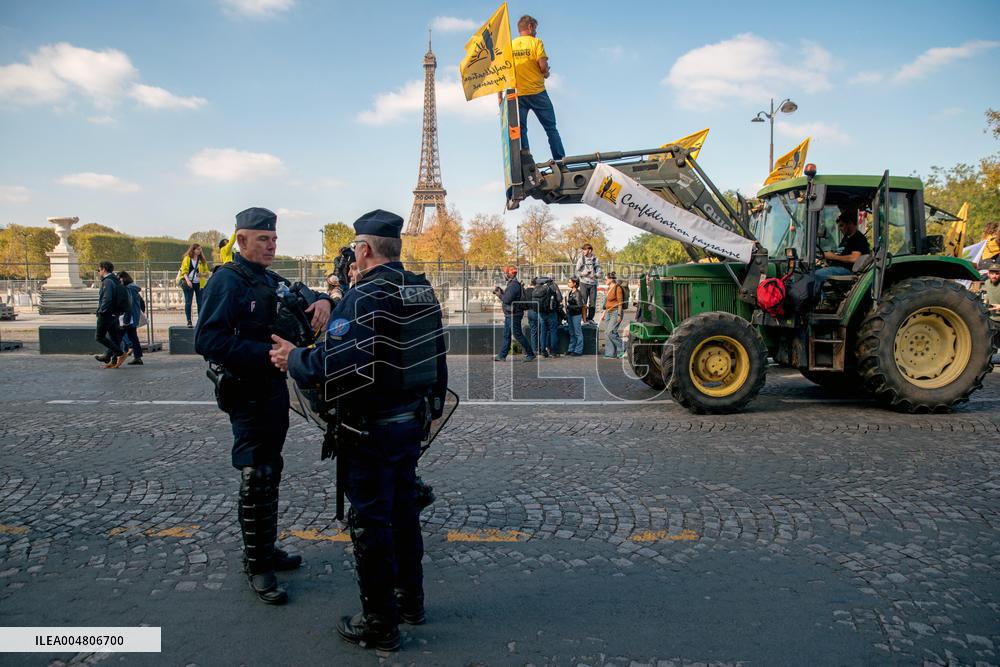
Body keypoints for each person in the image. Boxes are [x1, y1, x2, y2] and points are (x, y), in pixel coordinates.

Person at [271, 210, 448, 653]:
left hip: (369, 431)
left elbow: (334, 364)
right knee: (405, 513)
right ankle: (411, 601)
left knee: (370, 523)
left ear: (364, 249)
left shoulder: (365, 296)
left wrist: (293, 357)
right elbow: (436, 357)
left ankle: (380, 624)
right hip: (411, 423)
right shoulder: (420, 288)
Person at [194, 207, 333, 606]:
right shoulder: (227, 281)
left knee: (271, 469)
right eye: (262, 239)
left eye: (273, 239)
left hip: (272, 387)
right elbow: (208, 341)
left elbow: (305, 297)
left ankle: (265, 549)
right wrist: (266, 355)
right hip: (246, 387)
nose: (272, 245)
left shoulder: (267, 278)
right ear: (240, 241)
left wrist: (322, 299)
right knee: (257, 473)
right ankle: (257, 565)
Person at [511, 15, 565, 161]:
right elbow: (542, 65)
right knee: (551, 128)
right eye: (535, 28)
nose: (536, 32)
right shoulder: (536, 42)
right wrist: (546, 73)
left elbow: (503, 72)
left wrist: (499, 97)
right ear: (530, 27)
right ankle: (560, 160)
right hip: (538, 92)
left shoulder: (510, 46)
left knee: (521, 130)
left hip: (519, 94)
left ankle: (526, 158)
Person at [814, 209, 871, 283]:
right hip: (837, 267)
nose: (840, 229)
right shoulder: (846, 238)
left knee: (817, 275)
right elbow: (841, 254)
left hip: (847, 270)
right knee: (809, 271)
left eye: (841, 225)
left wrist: (833, 256)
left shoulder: (858, 238)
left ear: (850, 223)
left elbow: (855, 258)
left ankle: (818, 295)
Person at [494, 265, 535, 361]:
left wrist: (499, 295)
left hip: (514, 314)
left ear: (508, 274)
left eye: (505, 273)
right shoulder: (513, 284)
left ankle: (530, 354)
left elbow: (507, 300)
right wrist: (503, 292)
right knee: (506, 334)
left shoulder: (514, 285)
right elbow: (509, 297)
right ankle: (502, 355)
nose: (504, 275)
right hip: (510, 314)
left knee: (517, 334)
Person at [94, 260, 125, 368]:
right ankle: (114, 360)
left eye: (99, 270)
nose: (98, 272)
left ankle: (120, 354)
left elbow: (107, 299)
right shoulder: (115, 280)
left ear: (103, 269)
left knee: (99, 336)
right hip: (115, 313)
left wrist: (102, 311)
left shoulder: (107, 282)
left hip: (107, 313)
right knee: (114, 338)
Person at [178, 243, 210, 327]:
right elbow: (184, 271)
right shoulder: (187, 258)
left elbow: (207, 273)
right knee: (188, 302)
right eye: (198, 249)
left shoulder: (202, 260)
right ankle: (189, 321)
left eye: (200, 249)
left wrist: (201, 275)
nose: (200, 251)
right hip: (188, 283)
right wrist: (188, 281)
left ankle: (200, 321)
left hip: (199, 284)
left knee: (200, 303)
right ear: (193, 250)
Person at [118, 271, 145, 366]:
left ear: (123, 278)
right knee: (133, 336)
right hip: (134, 316)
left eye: (119, 278)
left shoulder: (128, 289)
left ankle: (112, 356)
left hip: (128, 317)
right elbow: (142, 303)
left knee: (119, 336)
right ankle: (137, 357)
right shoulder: (134, 289)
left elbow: (127, 304)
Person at [531, 274, 562, 357]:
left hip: (541, 312)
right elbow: (559, 299)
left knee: (543, 332)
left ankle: (543, 351)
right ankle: (553, 352)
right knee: (553, 331)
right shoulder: (553, 285)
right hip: (551, 312)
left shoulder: (538, 285)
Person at [599, 272, 625, 359]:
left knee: (610, 332)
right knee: (607, 334)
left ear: (611, 279)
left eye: (606, 279)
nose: (605, 281)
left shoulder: (617, 288)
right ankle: (611, 353)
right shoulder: (609, 288)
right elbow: (607, 303)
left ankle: (624, 347)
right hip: (608, 312)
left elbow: (620, 303)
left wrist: (619, 315)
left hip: (615, 312)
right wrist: (604, 314)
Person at [575, 243, 602, 323]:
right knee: (583, 302)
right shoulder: (581, 259)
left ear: (589, 250)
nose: (583, 251)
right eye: (583, 249)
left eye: (585, 249)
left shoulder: (595, 259)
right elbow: (576, 272)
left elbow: (599, 271)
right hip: (583, 283)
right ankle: (584, 319)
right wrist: (583, 274)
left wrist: (596, 276)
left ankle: (590, 319)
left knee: (592, 303)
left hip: (593, 284)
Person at [565, 277, 584, 356]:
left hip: (576, 315)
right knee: (572, 333)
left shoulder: (578, 293)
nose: (568, 283)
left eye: (570, 282)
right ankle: (571, 349)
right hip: (570, 314)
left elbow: (580, 306)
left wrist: (569, 307)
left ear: (574, 283)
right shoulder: (570, 292)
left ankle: (578, 350)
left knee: (578, 333)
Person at [982, 258, 1000, 326]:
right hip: (991, 318)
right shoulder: (987, 283)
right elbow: (989, 294)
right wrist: (985, 302)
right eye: (992, 273)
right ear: (988, 274)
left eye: (997, 274)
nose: (994, 276)